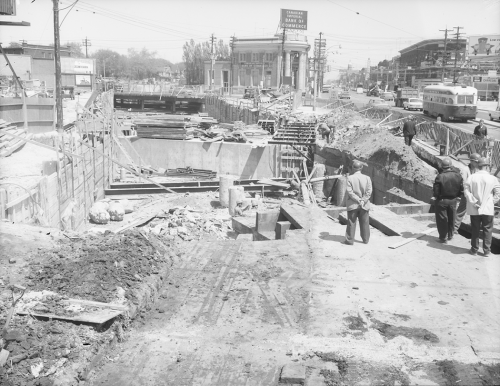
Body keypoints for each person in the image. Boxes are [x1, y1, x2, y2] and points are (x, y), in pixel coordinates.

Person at [464, 157, 500, 256]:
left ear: (478, 166)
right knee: (488, 229)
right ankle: (486, 251)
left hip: (474, 208)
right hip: (488, 208)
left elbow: (466, 191)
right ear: (487, 166)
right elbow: (498, 193)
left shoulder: (471, 177)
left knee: (475, 228)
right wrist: (491, 202)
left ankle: (474, 249)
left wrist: (473, 201)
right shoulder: (493, 179)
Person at [433, 158, 463, 243]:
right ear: (451, 166)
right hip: (453, 200)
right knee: (452, 218)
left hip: (442, 200)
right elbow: (461, 189)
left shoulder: (440, 176)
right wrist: (457, 196)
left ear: (443, 166)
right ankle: (450, 235)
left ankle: (443, 237)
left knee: (442, 219)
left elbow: (436, 190)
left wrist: (436, 197)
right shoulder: (458, 175)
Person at [344, 160, 372, 245]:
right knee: (365, 223)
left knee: (351, 222)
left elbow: (350, 192)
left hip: (353, 205)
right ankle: (365, 240)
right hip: (364, 205)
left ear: (353, 168)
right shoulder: (367, 178)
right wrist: (363, 200)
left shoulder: (349, 178)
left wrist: (358, 200)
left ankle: (349, 240)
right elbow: (369, 191)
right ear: (361, 168)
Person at [455, 153, 481, 233]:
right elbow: (464, 182)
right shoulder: (465, 169)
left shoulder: (478, 170)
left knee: (476, 212)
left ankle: (475, 229)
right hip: (467, 194)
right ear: (472, 161)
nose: (477, 163)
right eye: (476, 162)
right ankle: (454, 228)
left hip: (476, 194)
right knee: (461, 211)